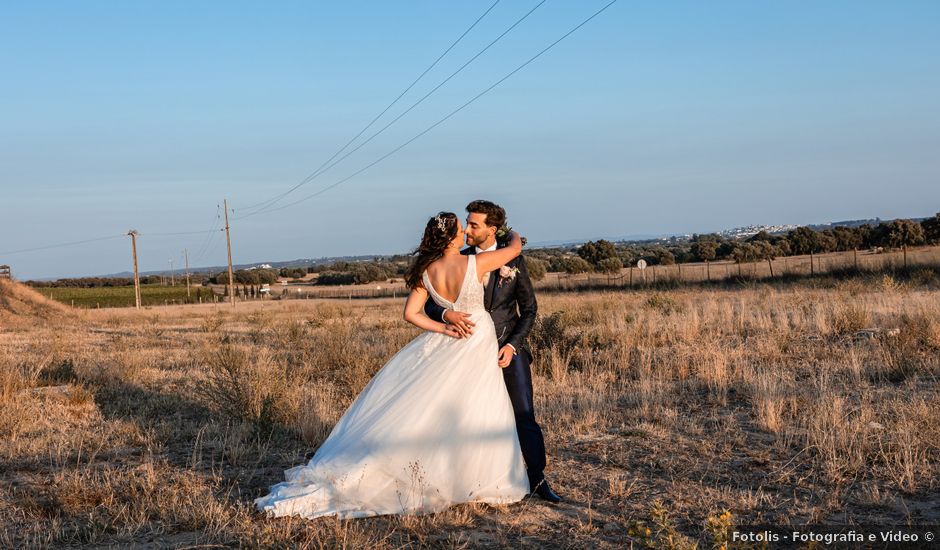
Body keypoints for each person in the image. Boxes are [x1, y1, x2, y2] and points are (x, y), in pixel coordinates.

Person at [254, 212, 530, 519]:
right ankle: (474, 479)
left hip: (450, 341)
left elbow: (411, 314)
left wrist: (444, 327)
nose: (465, 230)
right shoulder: (472, 263)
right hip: (476, 339)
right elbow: (515, 250)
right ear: (451, 237)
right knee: (476, 407)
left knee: (438, 407)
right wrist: (512, 233)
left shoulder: (426, 271)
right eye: (460, 228)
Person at [424, 200, 560, 503]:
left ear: (491, 229)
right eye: (467, 224)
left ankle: (538, 479)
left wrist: (512, 346)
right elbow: (432, 302)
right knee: (469, 418)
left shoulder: (515, 262)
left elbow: (529, 310)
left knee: (524, 414)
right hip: (466, 351)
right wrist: (447, 316)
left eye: (474, 224)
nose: (468, 229)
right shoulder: (459, 257)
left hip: (506, 348)